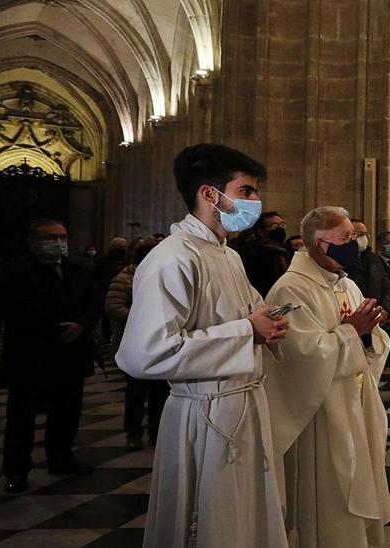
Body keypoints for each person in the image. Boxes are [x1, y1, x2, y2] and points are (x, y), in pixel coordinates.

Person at [116, 143, 290, 548]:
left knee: (246, 521)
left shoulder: (226, 255)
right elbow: (146, 352)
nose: (255, 201)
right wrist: (248, 331)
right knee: (211, 525)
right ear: (210, 194)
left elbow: (251, 314)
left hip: (242, 403)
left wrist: (270, 324)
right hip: (205, 415)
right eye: (246, 190)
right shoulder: (174, 257)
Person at [263, 206, 390, 548]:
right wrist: (353, 332)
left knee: (360, 479)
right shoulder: (290, 290)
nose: (355, 245)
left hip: (354, 400)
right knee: (330, 493)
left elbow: (368, 342)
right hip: (320, 411)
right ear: (320, 245)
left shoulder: (347, 284)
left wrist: (370, 331)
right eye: (346, 238)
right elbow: (301, 355)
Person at [0, 219, 99, 494]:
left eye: (62, 237)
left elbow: (93, 302)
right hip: (31, 354)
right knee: (21, 417)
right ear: (33, 242)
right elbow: (16, 309)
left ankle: (61, 458)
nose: (58, 242)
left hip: (71, 354)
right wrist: (57, 329)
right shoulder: (14, 272)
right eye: (51, 238)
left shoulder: (78, 269)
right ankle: (17, 470)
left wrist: (81, 325)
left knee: (66, 413)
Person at [104, 240, 169, 451]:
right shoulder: (125, 278)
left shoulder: (163, 274)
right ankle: (133, 431)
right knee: (136, 392)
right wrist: (142, 319)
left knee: (160, 391)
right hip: (136, 342)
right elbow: (114, 307)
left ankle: (157, 430)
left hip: (160, 342)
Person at [347, 222, 390, 401]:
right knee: (356, 369)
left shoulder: (372, 259)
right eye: (358, 234)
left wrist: (385, 309)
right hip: (356, 319)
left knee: (381, 360)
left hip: (378, 316)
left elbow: (387, 287)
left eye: (365, 234)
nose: (363, 237)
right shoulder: (345, 259)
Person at [235, 211, 290, 297]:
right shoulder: (259, 252)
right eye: (274, 226)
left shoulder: (279, 249)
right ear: (261, 231)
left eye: (282, 225)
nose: (280, 229)